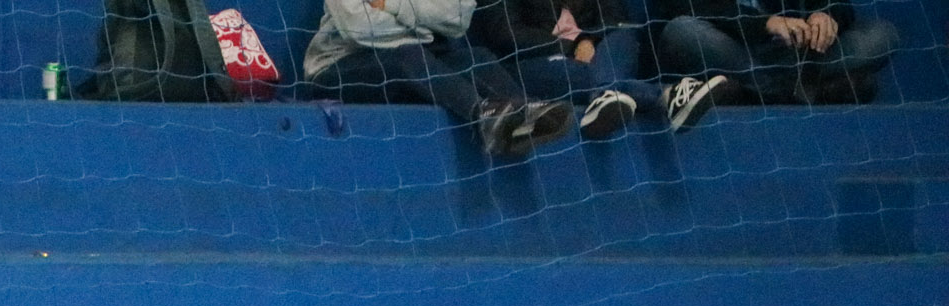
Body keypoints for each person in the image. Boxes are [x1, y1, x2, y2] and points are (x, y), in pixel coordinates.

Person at [301, 0, 576, 160]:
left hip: (421, 58)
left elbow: (458, 17)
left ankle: (525, 112)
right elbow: (358, 27)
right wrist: (423, 23)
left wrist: (392, 5)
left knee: (476, 57)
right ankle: (485, 117)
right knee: (409, 55)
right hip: (337, 67)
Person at [470, 0, 726, 135]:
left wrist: (589, 40)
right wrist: (572, 45)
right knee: (585, 74)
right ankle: (667, 96)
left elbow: (616, 20)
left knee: (624, 35)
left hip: (601, 54)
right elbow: (505, 34)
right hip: (535, 61)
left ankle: (606, 94)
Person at [656, 0, 897, 104]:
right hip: (735, 52)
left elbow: (838, 4)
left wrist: (826, 15)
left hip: (797, 57)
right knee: (680, 31)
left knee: (882, 36)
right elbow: (684, 6)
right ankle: (805, 92)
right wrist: (764, 24)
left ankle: (751, 94)